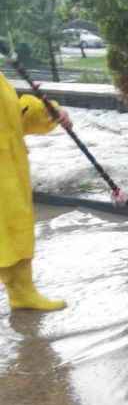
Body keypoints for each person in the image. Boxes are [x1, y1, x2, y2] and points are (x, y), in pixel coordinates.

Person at [0, 73, 72, 311]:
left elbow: (12, 120)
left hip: (9, 171)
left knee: (14, 228)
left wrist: (45, 111)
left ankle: (22, 292)